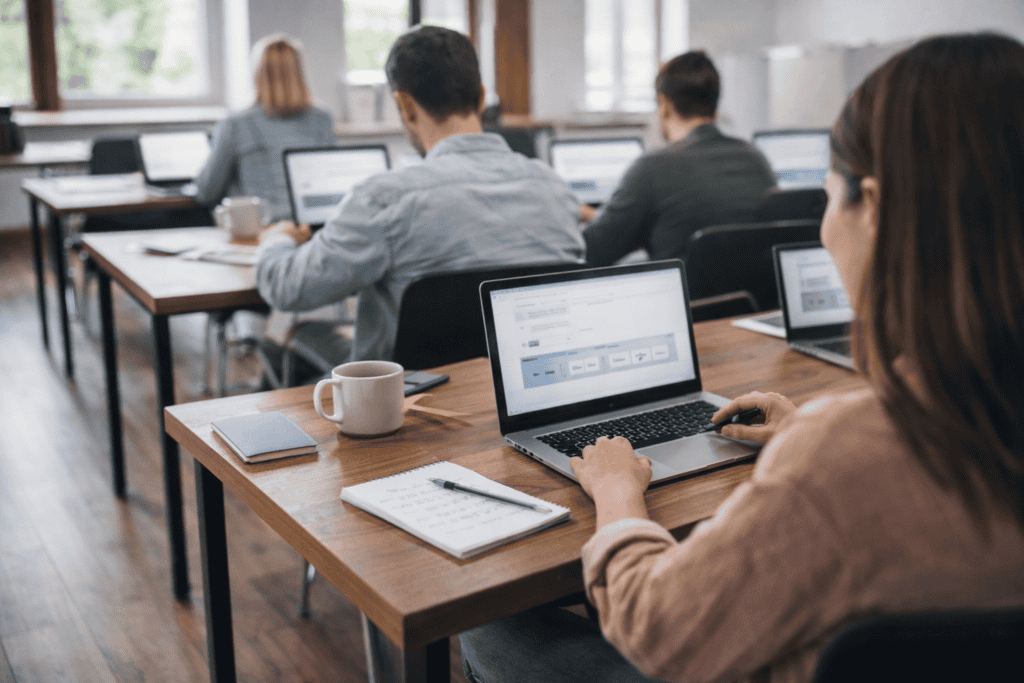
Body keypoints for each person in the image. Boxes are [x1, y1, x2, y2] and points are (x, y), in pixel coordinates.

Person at [460, 33, 1024, 683]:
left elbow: (658, 631)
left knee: (489, 602)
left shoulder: (846, 456)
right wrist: (802, 431)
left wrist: (617, 492)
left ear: (873, 207)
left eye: (826, 192)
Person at [255, 26, 584, 364]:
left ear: (405, 105)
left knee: (292, 338)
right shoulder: (555, 190)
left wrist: (275, 240)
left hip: (412, 403)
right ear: (482, 97)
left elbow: (288, 289)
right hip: (524, 398)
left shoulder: (383, 199)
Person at [581, 51, 775, 266]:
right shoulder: (755, 158)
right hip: (748, 299)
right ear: (715, 103)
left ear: (663, 104)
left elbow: (594, 251)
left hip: (683, 299)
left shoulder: (654, 167)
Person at [194, 35, 334, 224]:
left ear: (257, 73)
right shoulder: (322, 119)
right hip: (313, 225)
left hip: (262, 228)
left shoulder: (236, 124)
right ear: (299, 72)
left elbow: (206, 191)